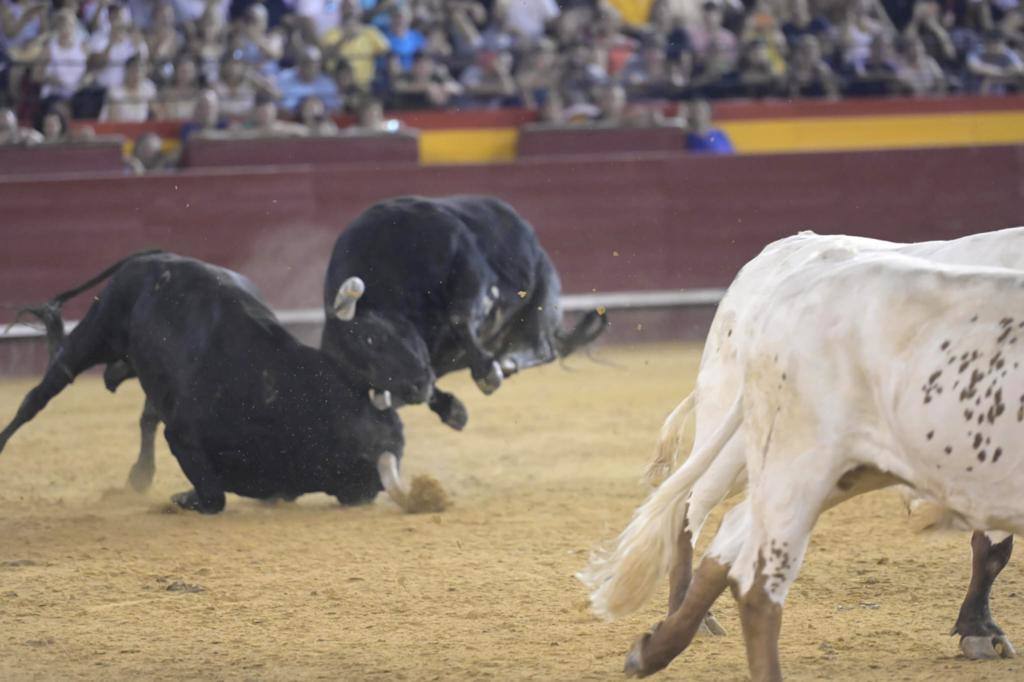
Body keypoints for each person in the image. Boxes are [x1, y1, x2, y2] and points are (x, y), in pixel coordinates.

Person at [321, 0, 390, 89]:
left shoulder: (370, 32)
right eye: (346, 7)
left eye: (353, 7)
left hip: (365, 86)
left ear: (360, 10)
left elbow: (387, 52)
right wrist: (344, 38)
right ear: (340, 11)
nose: (350, 10)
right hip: (337, 86)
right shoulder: (331, 33)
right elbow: (324, 57)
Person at [274, 44, 339, 113]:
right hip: (289, 120)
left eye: (315, 63)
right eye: (306, 62)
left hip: (319, 120)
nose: (311, 67)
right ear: (299, 63)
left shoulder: (328, 83)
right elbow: (279, 104)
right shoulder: (284, 78)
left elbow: (334, 108)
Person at [100, 55, 158, 121]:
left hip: (143, 129)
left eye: (140, 71)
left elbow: (157, 113)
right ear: (126, 71)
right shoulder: (115, 92)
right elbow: (113, 121)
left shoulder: (148, 88)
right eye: (133, 71)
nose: (137, 74)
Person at [155, 54, 201, 120]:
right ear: (176, 72)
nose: (186, 75)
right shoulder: (166, 93)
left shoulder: (199, 94)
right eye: (183, 71)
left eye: (189, 71)